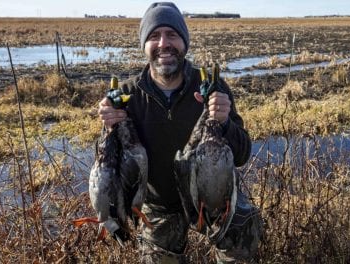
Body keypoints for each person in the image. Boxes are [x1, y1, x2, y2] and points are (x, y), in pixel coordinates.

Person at [98, 2, 264, 263]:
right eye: (154, 36)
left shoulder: (211, 85)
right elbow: (110, 165)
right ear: (144, 45)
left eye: (172, 34)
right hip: (160, 205)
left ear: (185, 42)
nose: (164, 43)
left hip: (215, 199)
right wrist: (108, 129)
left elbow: (242, 154)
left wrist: (224, 123)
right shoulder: (127, 96)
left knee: (243, 233)